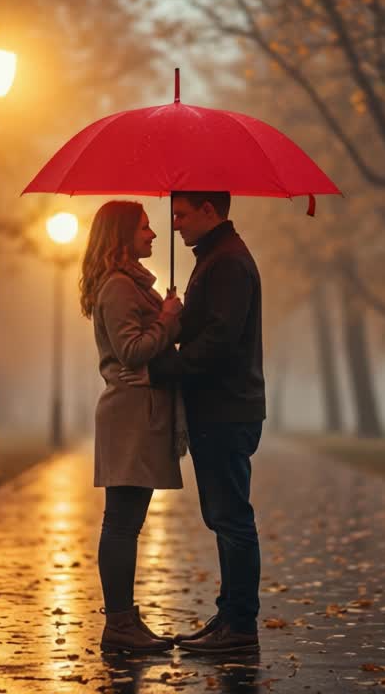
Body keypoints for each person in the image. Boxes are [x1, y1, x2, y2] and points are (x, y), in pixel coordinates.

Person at [128, 190, 265, 655]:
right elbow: (210, 327)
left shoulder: (225, 262)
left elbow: (220, 341)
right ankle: (230, 614)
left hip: (225, 407)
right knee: (223, 515)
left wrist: (167, 366)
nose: (175, 225)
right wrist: (176, 318)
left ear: (210, 211)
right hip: (223, 406)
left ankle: (241, 624)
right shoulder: (216, 257)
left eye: (183, 214)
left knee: (230, 517)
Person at [79, 199, 185, 654]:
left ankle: (124, 619)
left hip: (138, 412)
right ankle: (119, 623)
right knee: (121, 523)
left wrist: (169, 319)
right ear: (123, 235)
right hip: (130, 414)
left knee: (126, 521)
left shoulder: (131, 285)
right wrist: (166, 321)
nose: (154, 235)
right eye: (145, 228)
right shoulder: (120, 287)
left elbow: (150, 344)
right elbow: (132, 350)